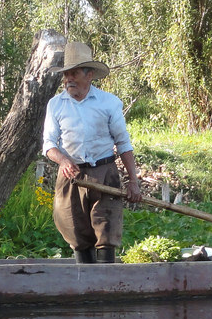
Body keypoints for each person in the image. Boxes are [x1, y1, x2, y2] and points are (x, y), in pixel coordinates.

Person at [42, 41, 143, 264]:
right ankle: (85, 285)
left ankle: (105, 285)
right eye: (66, 74)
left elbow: (123, 144)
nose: (69, 79)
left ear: (89, 75)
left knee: (107, 230)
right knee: (75, 231)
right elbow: (48, 144)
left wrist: (133, 182)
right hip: (72, 176)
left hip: (104, 173)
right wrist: (63, 160)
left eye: (74, 73)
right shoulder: (56, 105)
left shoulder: (109, 103)